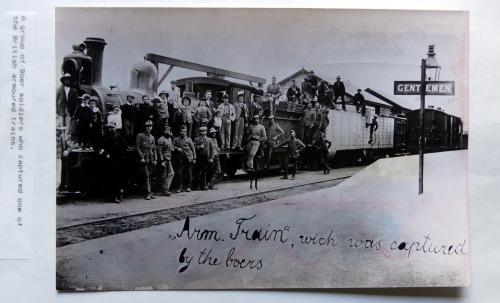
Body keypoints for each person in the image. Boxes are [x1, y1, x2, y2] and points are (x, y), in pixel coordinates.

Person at [103, 123, 127, 203]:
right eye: (109, 128)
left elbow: (124, 144)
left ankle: (118, 194)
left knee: (118, 178)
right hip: (110, 161)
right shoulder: (105, 138)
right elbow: (102, 147)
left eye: (112, 128)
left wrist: (122, 154)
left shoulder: (118, 137)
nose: (111, 129)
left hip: (118, 161)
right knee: (111, 179)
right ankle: (113, 196)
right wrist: (106, 154)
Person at [135, 120, 157, 200]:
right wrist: (141, 157)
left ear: (152, 127)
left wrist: (155, 159)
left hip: (150, 159)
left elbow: (154, 149)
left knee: (150, 176)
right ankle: (147, 193)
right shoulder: (140, 135)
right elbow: (137, 147)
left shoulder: (152, 137)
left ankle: (150, 192)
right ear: (145, 127)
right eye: (147, 126)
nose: (148, 128)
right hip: (144, 159)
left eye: (150, 126)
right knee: (146, 175)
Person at [173, 125, 196, 192]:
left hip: (189, 158)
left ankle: (189, 187)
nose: (183, 133)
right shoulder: (176, 139)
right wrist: (177, 148)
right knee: (179, 173)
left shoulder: (189, 139)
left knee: (189, 173)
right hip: (180, 159)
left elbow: (193, 149)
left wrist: (194, 158)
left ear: (186, 132)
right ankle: (180, 187)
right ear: (180, 132)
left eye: (185, 132)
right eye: (182, 131)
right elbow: (171, 146)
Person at [193, 126, 214, 190]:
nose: (202, 132)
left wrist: (211, 157)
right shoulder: (196, 139)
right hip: (199, 157)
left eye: (204, 131)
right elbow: (193, 147)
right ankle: (196, 186)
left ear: (206, 132)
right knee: (196, 172)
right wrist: (199, 147)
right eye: (201, 131)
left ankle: (203, 186)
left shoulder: (209, 139)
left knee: (204, 172)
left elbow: (212, 149)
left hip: (206, 158)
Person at [156, 126, 175, 196]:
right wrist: (161, 161)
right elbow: (159, 151)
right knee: (163, 176)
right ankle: (164, 190)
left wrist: (172, 148)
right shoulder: (161, 139)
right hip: (164, 159)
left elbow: (170, 146)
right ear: (164, 131)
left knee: (171, 173)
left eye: (169, 130)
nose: (167, 132)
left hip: (169, 159)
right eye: (166, 130)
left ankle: (164, 188)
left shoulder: (169, 139)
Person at [56, 126, 69, 192]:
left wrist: (67, 151)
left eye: (61, 130)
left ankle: (57, 189)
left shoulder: (62, 139)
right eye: (59, 130)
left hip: (59, 159)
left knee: (58, 177)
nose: (60, 132)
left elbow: (69, 147)